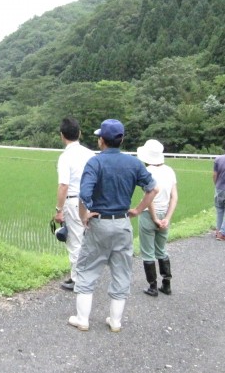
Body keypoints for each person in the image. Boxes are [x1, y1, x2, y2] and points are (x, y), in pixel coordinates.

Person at [68, 119, 158, 333]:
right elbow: (153, 189)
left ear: (101, 140)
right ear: (122, 139)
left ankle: (83, 319)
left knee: (87, 270)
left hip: (99, 224)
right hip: (122, 223)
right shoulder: (134, 163)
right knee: (121, 272)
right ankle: (115, 322)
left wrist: (84, 216)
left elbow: (84, 194)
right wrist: (136, 210)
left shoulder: (95, 163)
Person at [54, 117, 96, 291]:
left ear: (62, 136)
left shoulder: (65, 157)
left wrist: (58, 210)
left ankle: (77, 279)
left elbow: (64, 185)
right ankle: (84, 274)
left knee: (74, 241)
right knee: (87, 239)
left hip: (73, 201)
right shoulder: (91, 154)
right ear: (79, 133)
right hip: (91, 201)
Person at [136, 139, 178, 297]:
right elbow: (174, 197)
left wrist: (154, 218)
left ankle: (152, 286)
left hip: (149, 215)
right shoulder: (170, 171)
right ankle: (166, 284)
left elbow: (149, 197)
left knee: (148, 252)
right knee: (161, 250)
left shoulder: (147, 172)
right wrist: (166, 218)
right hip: (165, 214)